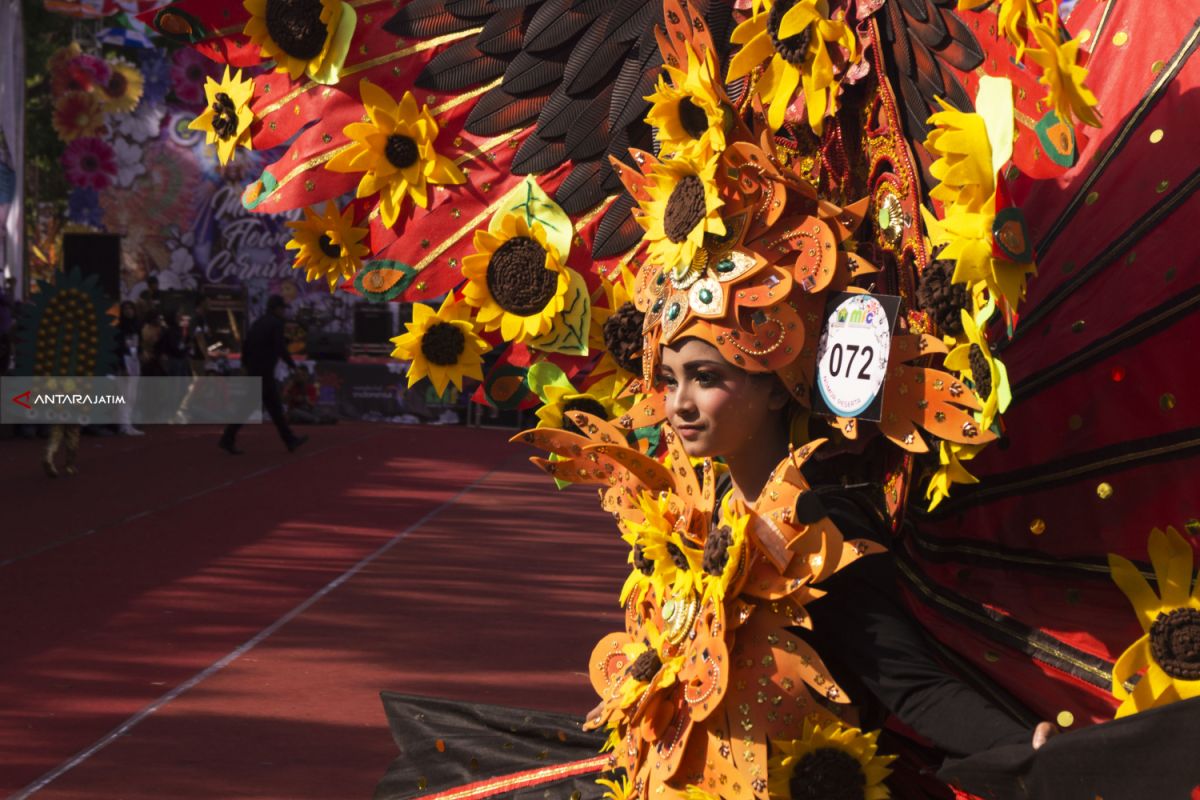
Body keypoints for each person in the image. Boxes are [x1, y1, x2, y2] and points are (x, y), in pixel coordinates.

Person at [219, 295, 307, 454]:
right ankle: (227, 438)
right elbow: (280, 347)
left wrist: (246, 364)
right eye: (282, 308)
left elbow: (246, 344)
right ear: (276, 309)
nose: (284, 312)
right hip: (265, 371)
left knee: (272, 408)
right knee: (265, 407)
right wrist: (293, 366)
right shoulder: (276, 324)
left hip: (255, 369)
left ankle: (289, 439)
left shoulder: (258, 323)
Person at [116, 300, 145, 436]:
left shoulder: (136, 327)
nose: (128, 311)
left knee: (132, 394)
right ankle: (124, 424)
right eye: (126, 309)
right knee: (125, 394)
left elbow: (139, 345)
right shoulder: (119, 328)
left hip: (134, 361)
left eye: (131, 308)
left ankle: (128, 423)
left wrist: (141, 353)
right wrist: (122, 366)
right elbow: (119, 349)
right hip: (125, 362)